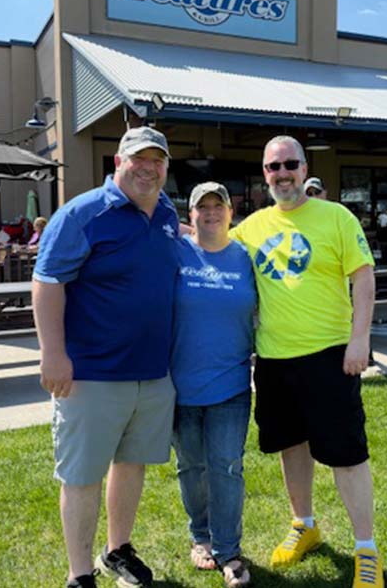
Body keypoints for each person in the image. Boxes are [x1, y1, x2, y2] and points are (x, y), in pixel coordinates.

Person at [230, 135, 382, 588]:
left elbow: (364, 278)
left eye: (290, 164)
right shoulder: (251, 227)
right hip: (274, 360)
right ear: (264, 174)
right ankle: (305, 524)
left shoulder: (336, 217)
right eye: (274, 167)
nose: (283, 174)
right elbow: (207, 241)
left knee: (347, 454)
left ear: (304, 167)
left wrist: (360, 340)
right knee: (290, 445)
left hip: (330, 357)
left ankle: (366, 549)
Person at [32, 126, 179, 588]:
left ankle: (117, 549)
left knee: (131, 464)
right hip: (91, 374)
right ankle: (80, 575)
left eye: (157, 160)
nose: (147, 168)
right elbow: (47, 282)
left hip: (152, 374)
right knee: (82, 476)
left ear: (166, 167)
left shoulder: (169, 213)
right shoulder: (82, 214)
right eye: (138, 158)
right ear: (118, 161)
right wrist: (52, 354)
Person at [170, 182, 256, 588]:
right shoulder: (176, 252)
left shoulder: (246, 257)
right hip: (179, 385)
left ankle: (229, 549)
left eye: (217, 205)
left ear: (230, 211)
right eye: (201, 206)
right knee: (191, 467)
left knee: (226, 467)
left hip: (232, 384)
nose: (210, 213)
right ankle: (200, 537)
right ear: (190, 214)